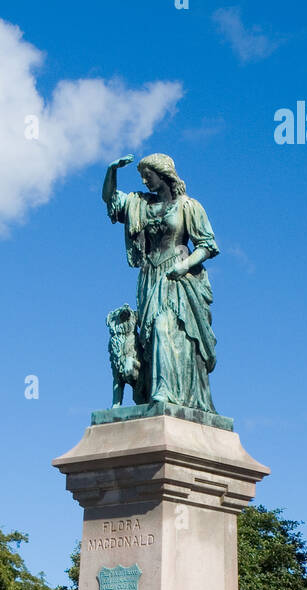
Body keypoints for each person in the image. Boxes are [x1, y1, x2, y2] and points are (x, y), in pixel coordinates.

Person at [102, 153, 220, 412]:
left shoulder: (189, 206)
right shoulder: (140, 205)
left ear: (164, 175)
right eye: (141, 176)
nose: (144, 181)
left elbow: (207, 245)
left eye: (148, 175)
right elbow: (110, 199)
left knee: (165, 328)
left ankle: (164, 393)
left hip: (178, 277)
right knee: (151, 337)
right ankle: (157, 394)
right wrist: (112, 171)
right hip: (150, 276)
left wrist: (185, 265)